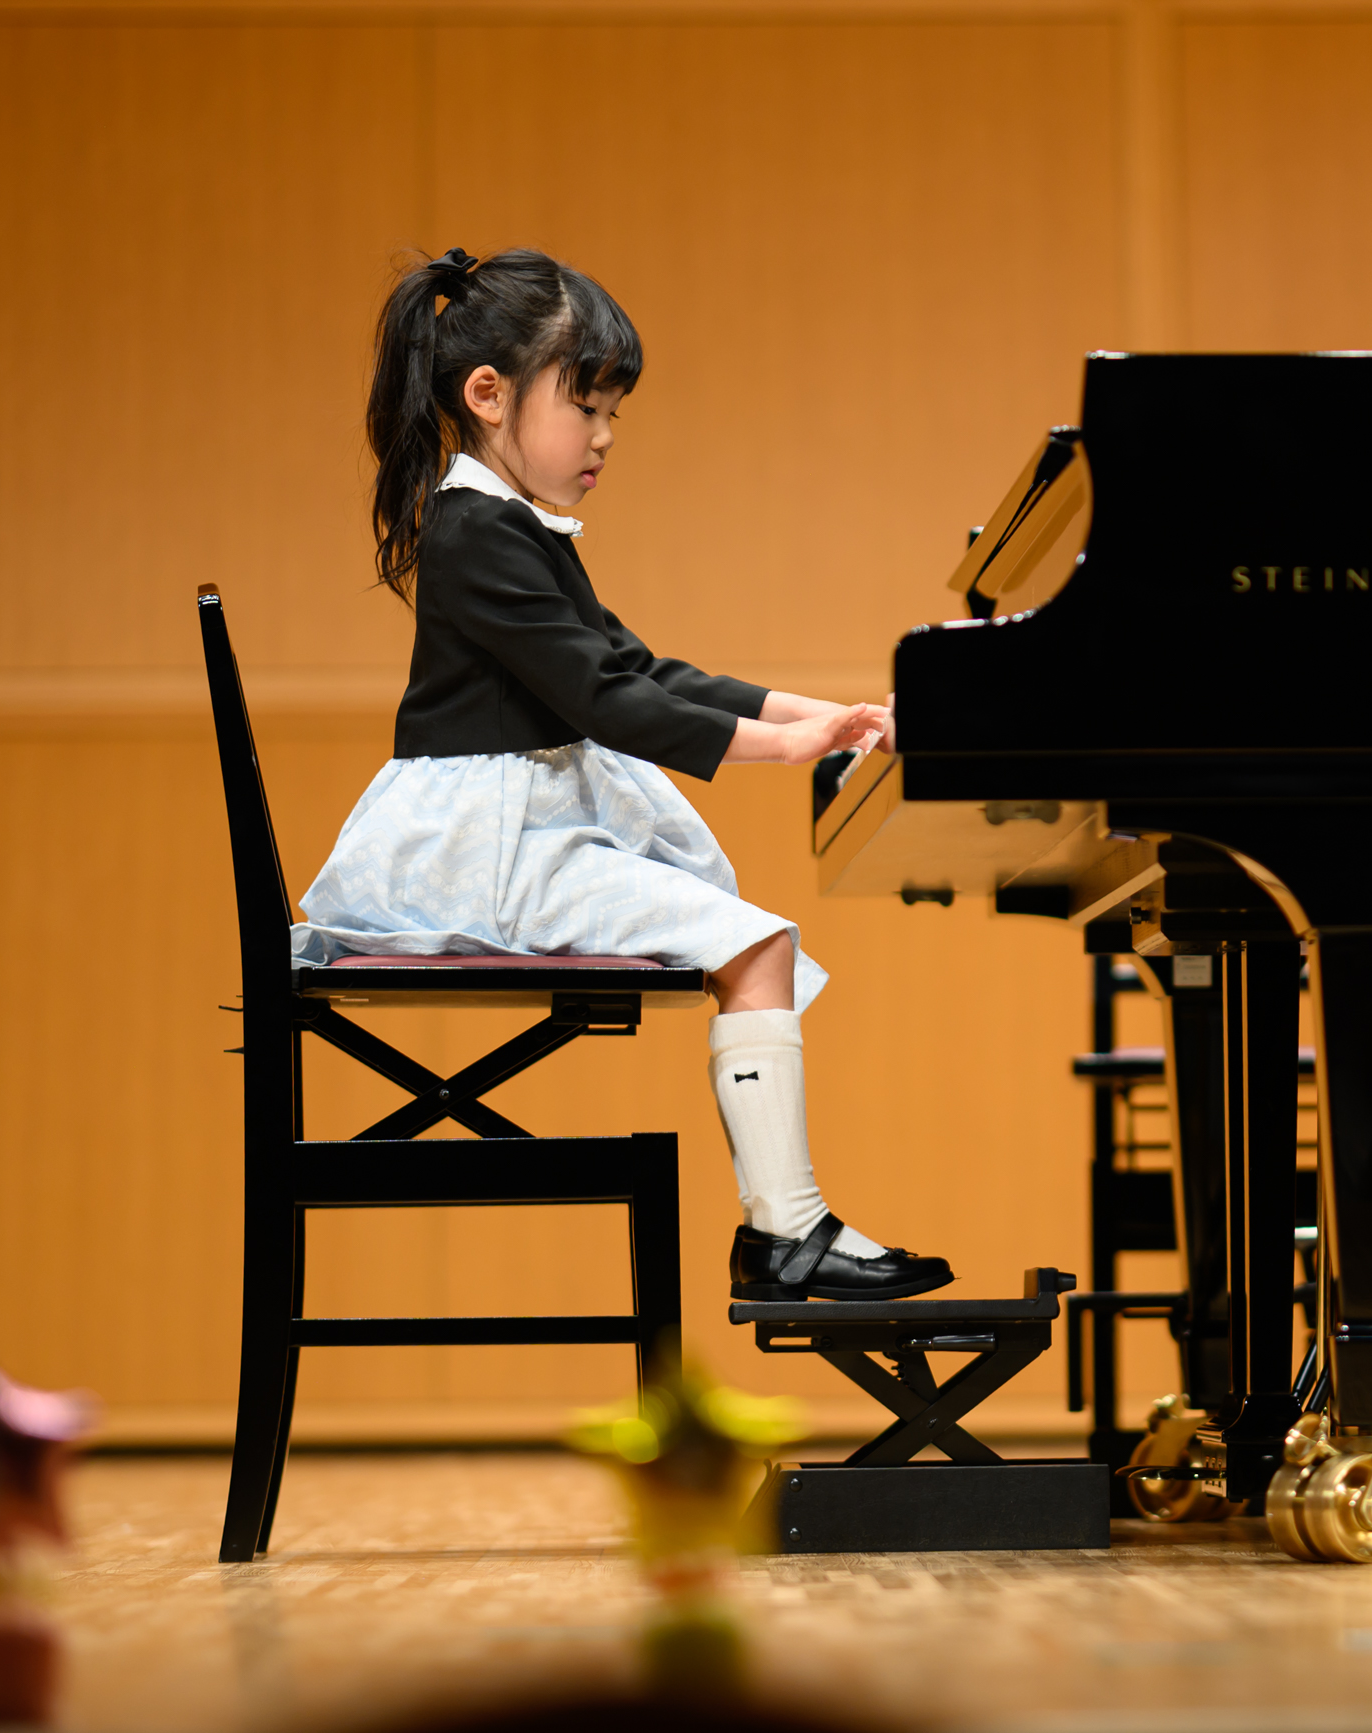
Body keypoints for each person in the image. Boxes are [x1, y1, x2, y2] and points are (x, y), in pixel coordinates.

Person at [291, 246, 952, 1303]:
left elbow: (643, 670)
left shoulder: (510, 525)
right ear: (488, 394)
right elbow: (607, 702)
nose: (603, 435)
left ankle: (787, 1232)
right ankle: (787, 1235)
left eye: (613, 413)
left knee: (755, 944)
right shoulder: (476, 532)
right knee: (756, 943)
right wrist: (789, 749)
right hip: (487, 857)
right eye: (585, 405)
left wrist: (819, 717)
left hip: (519, 833)